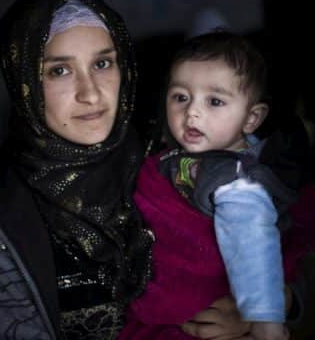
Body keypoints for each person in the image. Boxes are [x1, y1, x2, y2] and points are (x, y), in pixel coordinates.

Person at [0, 0, 256, 340]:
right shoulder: (2, 218)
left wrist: (258, 310)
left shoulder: (169, 165)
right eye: (59, 70)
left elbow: (278, 250)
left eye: (103, 63)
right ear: (24, 83)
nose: (91, 92)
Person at [121, 32, 299, 340]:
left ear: (251, 118)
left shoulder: (234, 178)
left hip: (207, 316)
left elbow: (253, 245)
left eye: (214, 101)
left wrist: (264, 321)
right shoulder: (173, 152)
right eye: (180, 97)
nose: (192, 112)